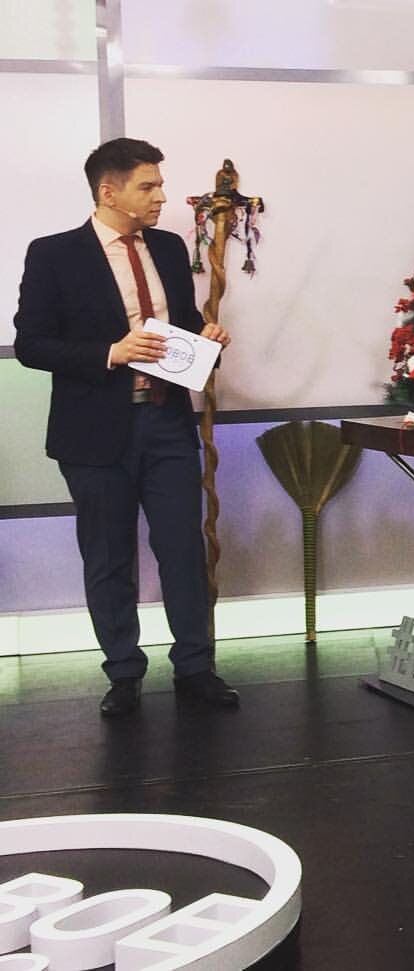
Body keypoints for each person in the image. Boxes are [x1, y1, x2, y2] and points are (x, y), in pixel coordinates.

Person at [14, 137, 239, 717]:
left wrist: (205, 338)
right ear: (108, 192)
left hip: (167, 422)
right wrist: (111, 352)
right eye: (149, 186)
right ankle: (123, 672)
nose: (162, 196)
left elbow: (179, 326)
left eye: (160, 184)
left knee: (183, 549)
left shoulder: (167, 248)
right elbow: (31, 344)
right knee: (108, 557)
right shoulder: (53, 254)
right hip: (94, 433)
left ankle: (195, 667)